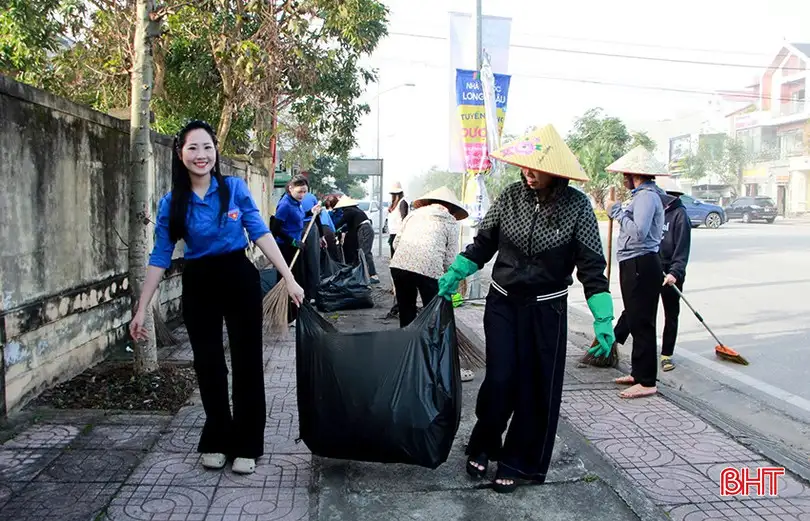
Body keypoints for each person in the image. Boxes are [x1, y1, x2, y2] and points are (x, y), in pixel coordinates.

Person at [436, 125, 615, 493]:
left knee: (535, 387)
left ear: (556, 171)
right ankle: (484, 442)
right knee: (501, 380)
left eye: (536, 168)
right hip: (503, 302)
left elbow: (592, 267)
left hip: (547, 310)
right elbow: (484, 243)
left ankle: (517, 460)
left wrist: (603, 317)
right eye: (525, 167)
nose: (528, 173)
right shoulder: (510, 196)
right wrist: (458, 271)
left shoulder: (577, 207)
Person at [129, 120, 305, 476]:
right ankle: (217, 436)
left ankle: (247, 444)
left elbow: (259, 231)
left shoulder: (234, 189)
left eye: (207, 147)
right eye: (193, 148)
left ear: (215, 152)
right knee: (208, 364)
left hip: (238, 276)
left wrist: (288, 277)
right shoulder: (171, 203)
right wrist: (141, 308)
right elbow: (160, 256)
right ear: (180, 154)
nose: (201, 155)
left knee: (246, 363)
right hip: (198, 282)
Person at [603, 146, 670, 399]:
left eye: (625, 174)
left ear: (635, 174)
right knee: (634, 316)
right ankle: (639, 373)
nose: (623, 179)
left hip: (641, 263)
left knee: (642, 322)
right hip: (636, 263)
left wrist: (616, 211)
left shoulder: (646, 197)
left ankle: (647, 381)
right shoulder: (641, 195)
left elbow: (639, 232)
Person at [389, 185, 475, 382]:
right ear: (450, 207)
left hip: (399, 266)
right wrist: (452, 281)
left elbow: (396, 243)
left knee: (407, 313)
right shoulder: (451, 222)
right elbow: (450, 259)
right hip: (429, 270)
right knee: (439, 318)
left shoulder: (413, 215)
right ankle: (444, 365)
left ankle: (408, 361)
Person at [609, 190, 691, 372]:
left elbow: (682, 249)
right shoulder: (652, 210)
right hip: (651, 266)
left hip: (670, 274)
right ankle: (612, 342)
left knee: (671, 314)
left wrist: (675, 273)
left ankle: (666, 354)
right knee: (635, 308)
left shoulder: (680, 216)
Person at [270, 175, 320, 323]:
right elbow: (275, 229)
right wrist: (292, 242)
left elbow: (297, 218)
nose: (302, 195)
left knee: (299, 279)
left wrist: (311, 212)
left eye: (305, 192)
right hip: (286, 248)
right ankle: (285, 315)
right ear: (290, 188)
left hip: (296, 246)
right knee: (288, 280)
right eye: (300, 192)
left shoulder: (296, 203)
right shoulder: (285, 205)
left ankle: (295, 313)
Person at [333, 196, 379, 284]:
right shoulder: (355, 210)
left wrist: (333, 229)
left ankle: (373, 275)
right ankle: (366, 273)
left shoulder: (349, 211)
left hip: (364, 229)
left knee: (365, 252)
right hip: (365, 228)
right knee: (363, 252)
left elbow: (341, 223)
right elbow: (349, 226)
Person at [385, 182, 409, 319]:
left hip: (399, 236)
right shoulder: (394, 204)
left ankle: (400, 298)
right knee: (393, 266)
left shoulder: (403, 203)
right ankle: (397, 293)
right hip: (392, 235)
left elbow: (405, 220)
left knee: (398, 267)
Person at [300, 191, 324, 303]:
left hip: (303, 228)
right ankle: (312, 294)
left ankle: (308, 294)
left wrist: (321, 235)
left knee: (304, 261)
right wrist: (321, 235)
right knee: (312, 260)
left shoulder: (286, 197)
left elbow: (316, 216)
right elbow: (317, 217)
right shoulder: (311, 197)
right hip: (306, 228)